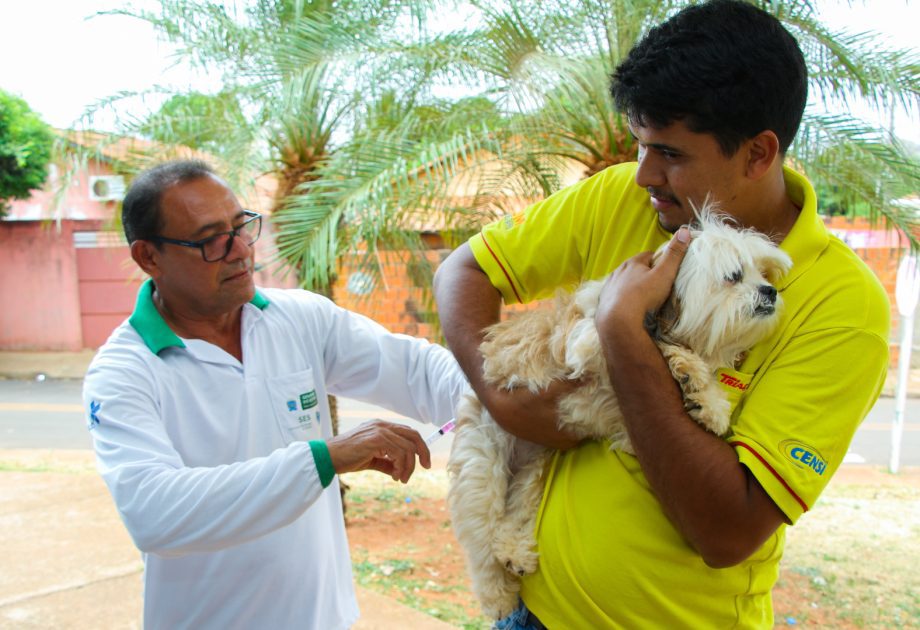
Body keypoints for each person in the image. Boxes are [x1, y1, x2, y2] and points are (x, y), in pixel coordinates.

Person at [433, 1, 890, 628]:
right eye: (642, 146)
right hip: (533, 615)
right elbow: (463, 271)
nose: (644, 174)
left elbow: (725, 532)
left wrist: (623, 332)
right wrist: (502, 400)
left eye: (671, 153)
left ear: (758, 154)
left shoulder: (841, 304)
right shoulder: (626, 198)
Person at [82, 159, 466, 629]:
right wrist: (324, 458)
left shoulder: (298, 318)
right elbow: (155, 513)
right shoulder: (124, 372)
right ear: (149, 257)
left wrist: (500, 394)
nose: (241, 250)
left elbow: (415, 370)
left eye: (241, 227)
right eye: (210, 240)